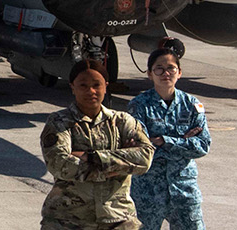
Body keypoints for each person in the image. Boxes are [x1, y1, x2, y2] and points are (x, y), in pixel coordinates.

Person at [40, 60, 154, 230]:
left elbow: (145, 159)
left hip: (118, 218)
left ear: (106, 86)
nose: (90, 91)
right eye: (83, 85)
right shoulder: (59, 122)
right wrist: (119, 162)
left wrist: (91, 157)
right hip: (68, 219)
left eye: (96, 85)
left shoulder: (122, 122)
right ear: (72, 87)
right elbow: (59, 164)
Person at [125, 38, 211, 230]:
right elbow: (139, 149)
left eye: (171, 68)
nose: (166, 73)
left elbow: (203, 146)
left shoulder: (192, 105)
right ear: (149, 74)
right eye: (159, 69)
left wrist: (164, 140)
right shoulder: (139, 105)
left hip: (183, 189)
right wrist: (182, 142)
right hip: (147, 191)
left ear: (179, 73)